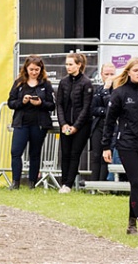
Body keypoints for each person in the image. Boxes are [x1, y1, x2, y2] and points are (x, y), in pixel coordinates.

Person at [102, 57, 138, 236]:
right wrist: (106, 146)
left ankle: (131, 224)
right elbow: (109, 121)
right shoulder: (120, 93)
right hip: (127, 143)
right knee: (135, 181)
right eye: (136, 70)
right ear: (128, 72)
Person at [6, 55, 56, 190]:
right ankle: (15, 182)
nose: (34, 72)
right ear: (26, 69)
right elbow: (10, 102)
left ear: (41, 70)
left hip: (39, 123)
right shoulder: (19, 83)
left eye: (37, 70)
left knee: (35, 153)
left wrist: (40, 103)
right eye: (32, 69)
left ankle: (32, 183)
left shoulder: (46, 84)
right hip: (21, 122)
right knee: (16, 151)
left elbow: (51, 105)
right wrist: (22, 102)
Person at [55, 52, 94, 193]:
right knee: (64, 153)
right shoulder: (63, 82)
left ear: (79, 65)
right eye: (66, 64)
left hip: (81, 126)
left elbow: (86, 107)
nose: (68, 67)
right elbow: (59, 104)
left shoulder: (86, 83)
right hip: (66, 124)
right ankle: (64, 182)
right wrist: (63, 123)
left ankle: (69, 184)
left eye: (71, 64)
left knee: (74, 153)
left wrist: (76, 126)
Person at [89, 63, 116, 181]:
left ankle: (104, 184)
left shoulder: (118, 89)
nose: (109, 76)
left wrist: (106, 90)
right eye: (106, 74)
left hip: (113, 128)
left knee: (107, 156)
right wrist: (103, 110)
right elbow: (92, 109)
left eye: (112, 74)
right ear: (101, 75)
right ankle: (94, 184)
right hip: (98, 126)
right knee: (96, 155)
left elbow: (113, 109)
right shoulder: (98, 89)